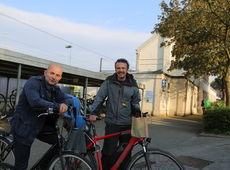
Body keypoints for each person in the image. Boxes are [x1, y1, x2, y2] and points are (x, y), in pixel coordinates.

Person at [10, 64, 73, 170]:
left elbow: (68, 98)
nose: (54, 77)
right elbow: (35, 102)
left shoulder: (55, 89)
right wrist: (58, 107)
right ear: (45, 73)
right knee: (21, 166)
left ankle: (41, 167)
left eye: (57, 75)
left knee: (61, 143)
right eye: (52, 73)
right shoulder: (33, 82)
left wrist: (65, 104)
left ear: (60, 78)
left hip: (40, 125)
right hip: (24, 126)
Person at [89, 58, 141, 170]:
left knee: (125, 153)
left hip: (127, 124)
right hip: (112, 123)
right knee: (108, 152)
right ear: (115, 69)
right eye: (118, 68)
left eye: (123, 68)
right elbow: (100, 97)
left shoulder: (133, 84)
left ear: (127, 70)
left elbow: (135, 102)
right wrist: (94, 113)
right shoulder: (109, 82)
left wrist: (138, 113)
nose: (120, 70)